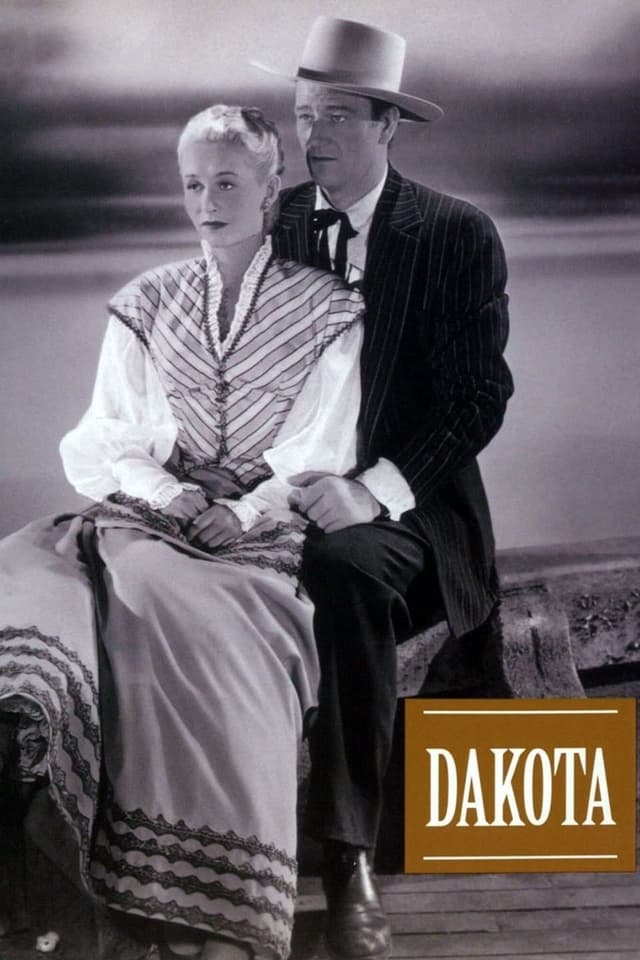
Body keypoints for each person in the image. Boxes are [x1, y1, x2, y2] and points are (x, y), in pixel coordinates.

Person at [0, 105, 369, 960]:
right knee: (87, 589)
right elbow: (107, 434)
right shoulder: (147, 300)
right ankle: (110, 900)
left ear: (272, 187)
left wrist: (240, 511)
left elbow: (325, 445)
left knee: (198, 619)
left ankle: (203, 903)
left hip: (264, 530)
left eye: (228, 183)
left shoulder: (328, 308)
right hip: (149, 518)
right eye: (194, 184)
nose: (207, 203)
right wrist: (168, 496)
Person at [256, 16, 515, 960]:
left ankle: (346, 862)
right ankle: (202, 845)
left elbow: (478, 398)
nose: (313, 134)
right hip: (279, 494)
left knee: (345, 570)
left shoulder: (455, 232)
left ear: (386, 125)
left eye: (335, 115)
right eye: (302, 114)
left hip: (415, 512)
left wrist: (369, 491)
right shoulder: (273, 220)